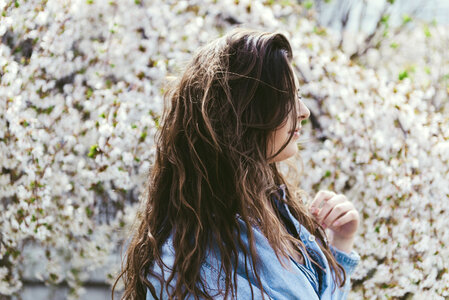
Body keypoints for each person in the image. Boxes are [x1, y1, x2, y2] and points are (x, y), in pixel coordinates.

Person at [114, 28, 360, 300]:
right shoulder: (194, 266)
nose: (304, 111)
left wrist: (341, 244)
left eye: (298, 95)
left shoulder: (275, 208)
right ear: (245, 111)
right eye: (286, 98)